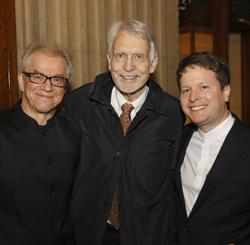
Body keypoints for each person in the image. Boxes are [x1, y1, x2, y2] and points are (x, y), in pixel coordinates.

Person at [64, 20, 184, 245]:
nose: (128, 66)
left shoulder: (172, 113)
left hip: (147, 236)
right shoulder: (78, 104)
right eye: (120, 55)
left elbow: (176, 186)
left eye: (139, 57)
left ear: (153, 64)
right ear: (109, 61)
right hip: (89, 234)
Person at [0, 44, 80, 245]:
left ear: (65, 87)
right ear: (21, 80)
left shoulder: (76, 134)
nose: (47, 87)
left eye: (57, 79)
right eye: (37, 76)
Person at [172, 52, 250, 245]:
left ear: (226, 92)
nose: (194, 97)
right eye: (186, 90)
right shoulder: (177, 139)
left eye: (203, 87)